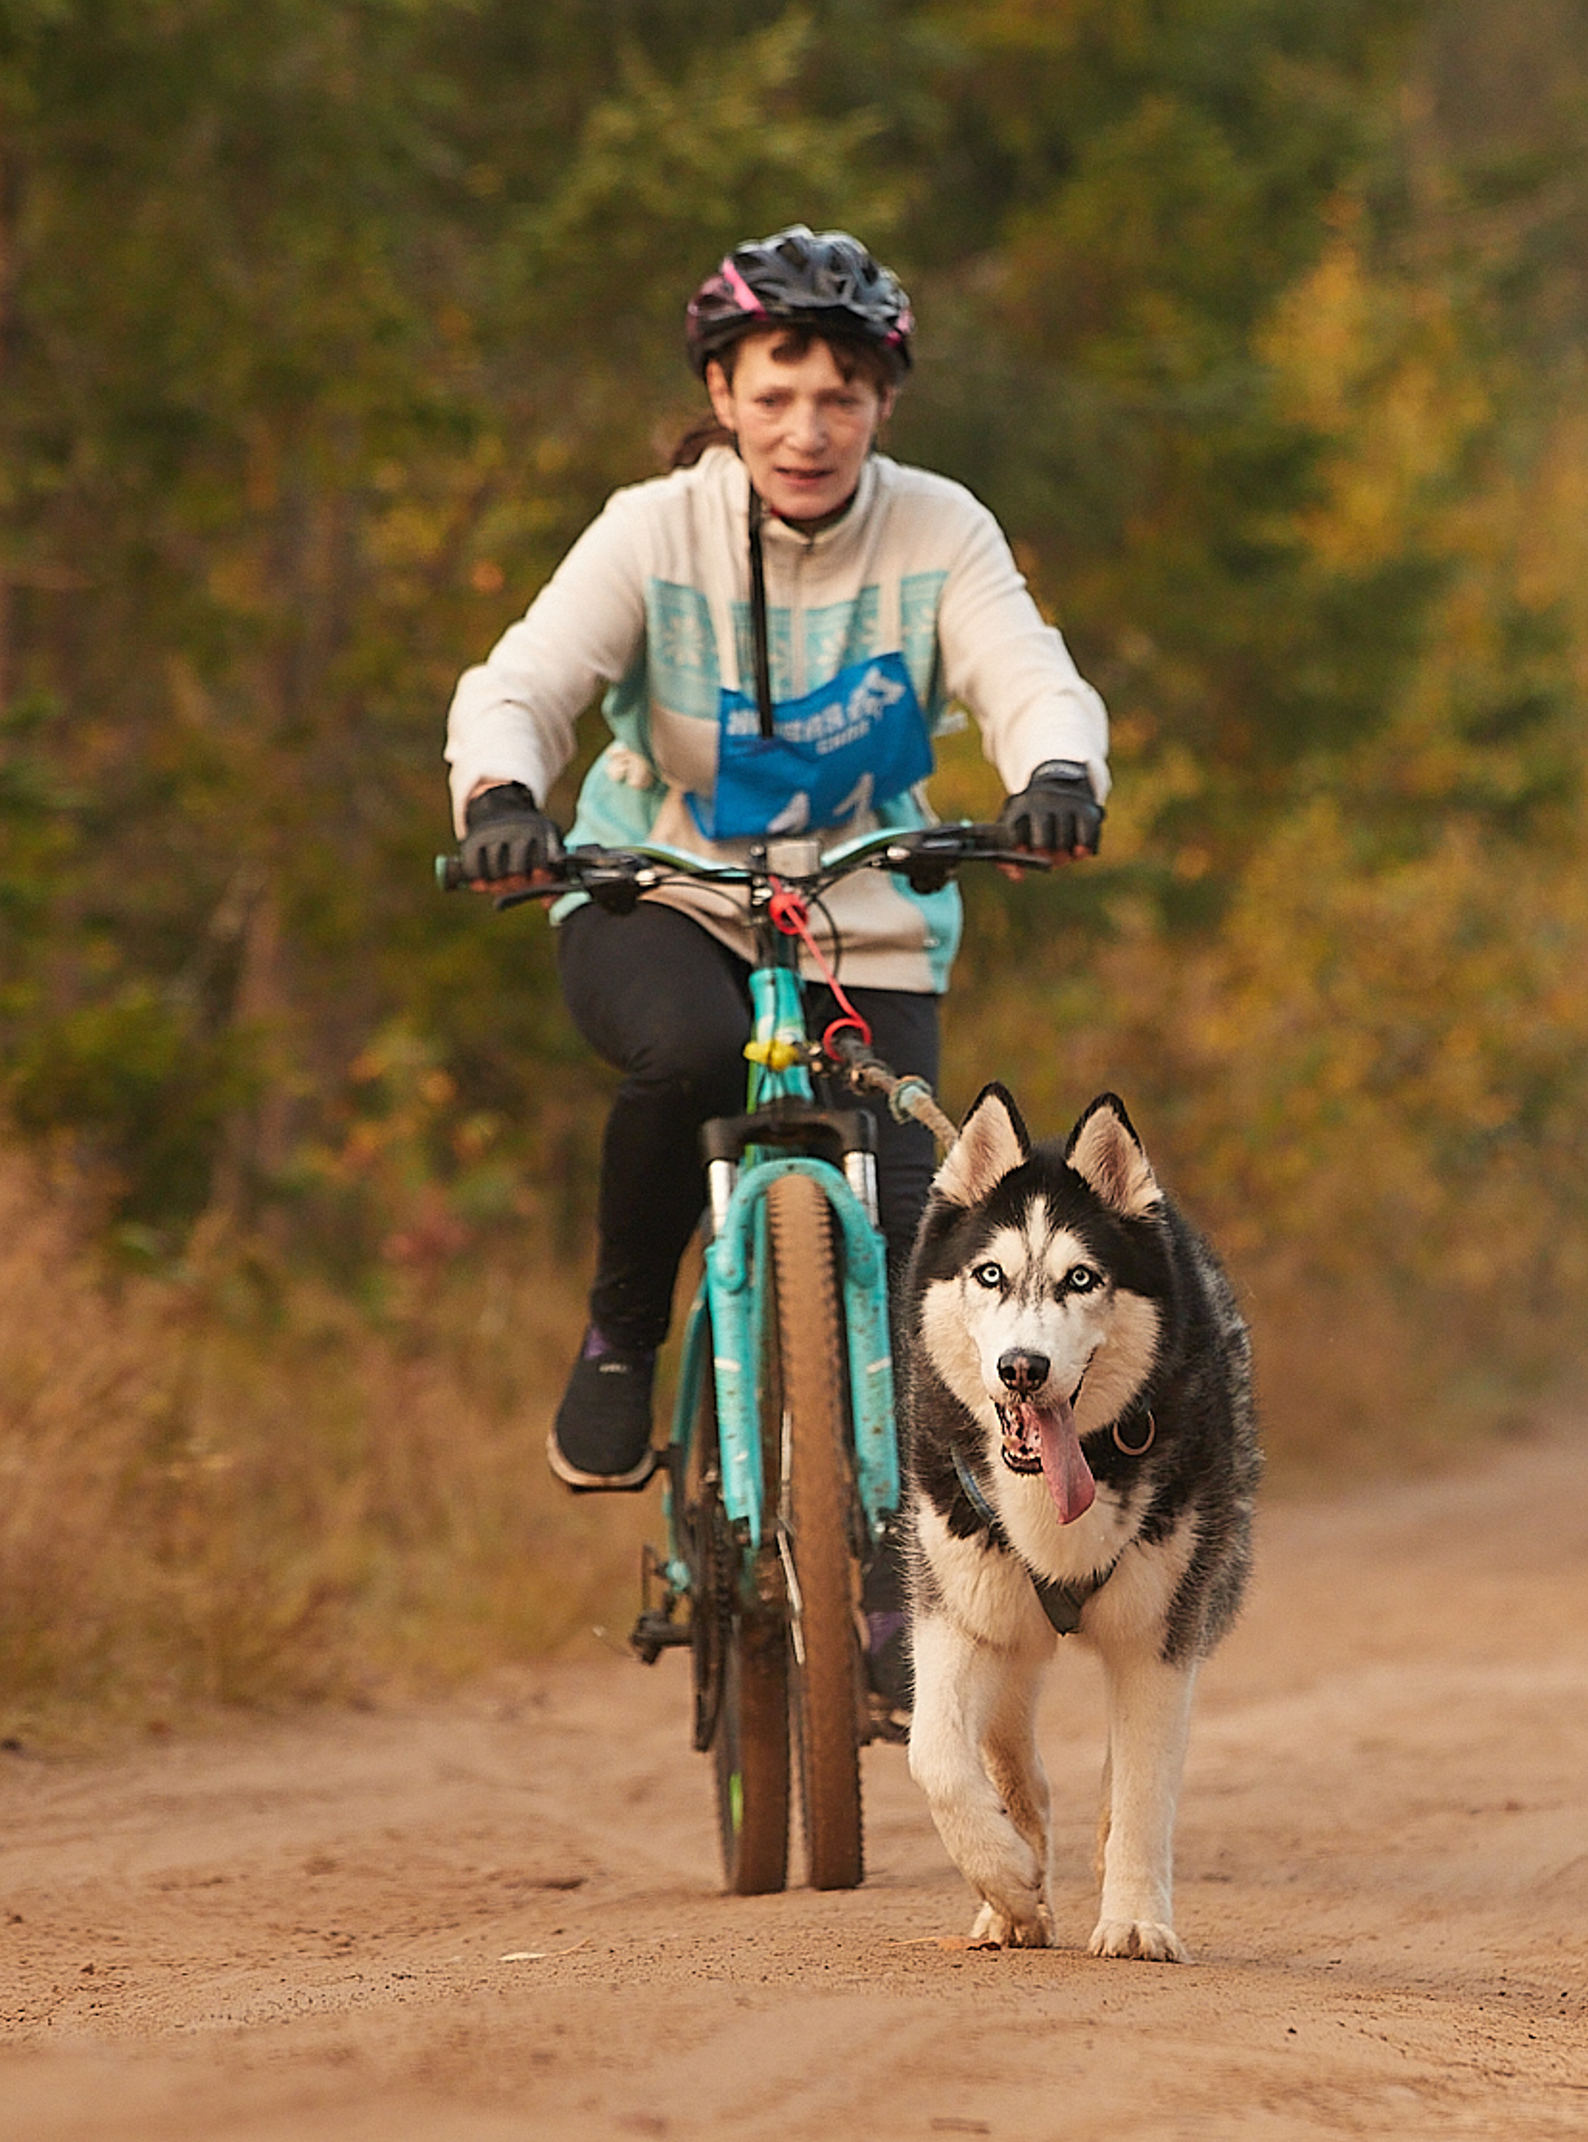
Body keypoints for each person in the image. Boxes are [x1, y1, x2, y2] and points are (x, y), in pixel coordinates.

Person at [444, 225, 1110, 1497]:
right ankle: (623, 1335)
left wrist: (1056, 778)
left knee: (923, 1246)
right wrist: (500, 797)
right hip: (660, 888)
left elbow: (1028, 674)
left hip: (866, 910)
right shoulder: (650, 531)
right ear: (721, 396)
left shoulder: (937, 531)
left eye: (840, 398)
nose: (807, 429)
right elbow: (523, 679)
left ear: (883, 403)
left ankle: (894, 1583)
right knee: (690, 1057)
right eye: (776, 395)